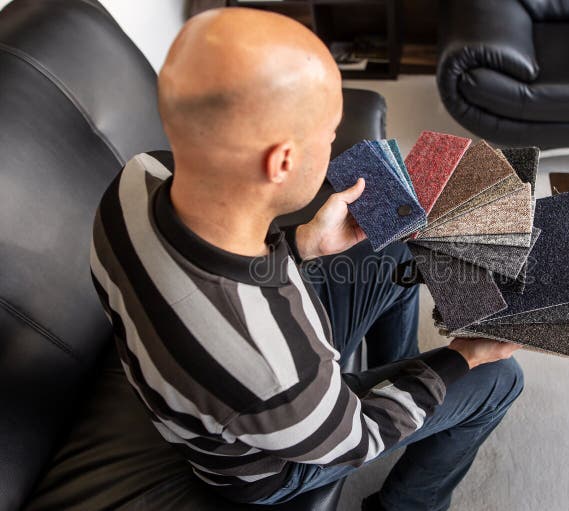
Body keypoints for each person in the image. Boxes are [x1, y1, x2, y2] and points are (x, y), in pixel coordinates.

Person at [89, 6, 524, 510]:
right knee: (498, 378)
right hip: (267, 463)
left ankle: (397, 371)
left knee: (388, 240)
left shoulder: (134, 181)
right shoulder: (270, 366)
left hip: (250, 379)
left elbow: (223, 282)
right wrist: (463, 357)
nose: (335, 144)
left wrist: (299, 245)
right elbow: (357, 438)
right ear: (283, 161)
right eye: (330, 134)